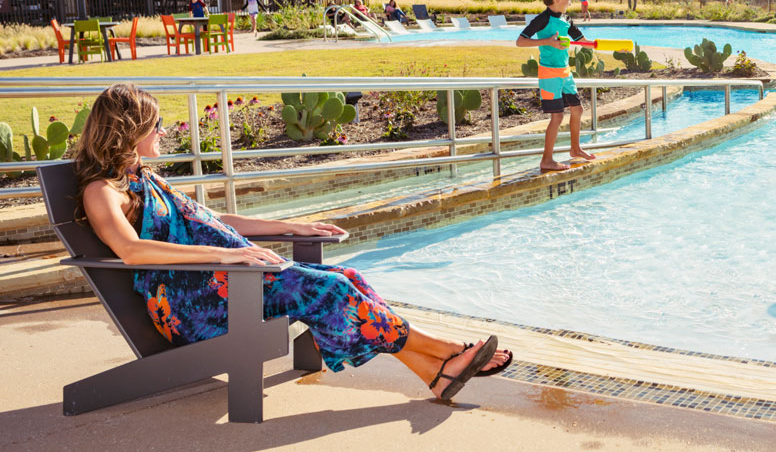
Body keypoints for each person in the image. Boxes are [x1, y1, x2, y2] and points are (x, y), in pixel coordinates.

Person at [75, 83, 512, 401]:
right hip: (196, 305)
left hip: (228, 282)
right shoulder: (102, 191)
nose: (163, 132)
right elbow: (130, 251)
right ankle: (449, 351)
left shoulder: (142, 178)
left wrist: (295, 227)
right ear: (128, 130)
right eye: (156, 125)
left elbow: (212, 219)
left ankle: (434, 374)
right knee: (334, 290)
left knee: (347, 275)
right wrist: (230, 254)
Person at [516, 0, 598, 172]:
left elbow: (583, 40)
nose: (571, 2)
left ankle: (575, 148)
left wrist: (611, 48)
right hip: (549, 74)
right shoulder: (542, 20)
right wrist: (547, 42)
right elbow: (520, 41)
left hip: (565, 73)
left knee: (577, 110)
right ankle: (547, 160)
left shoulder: (566, 19)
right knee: (557, 117)